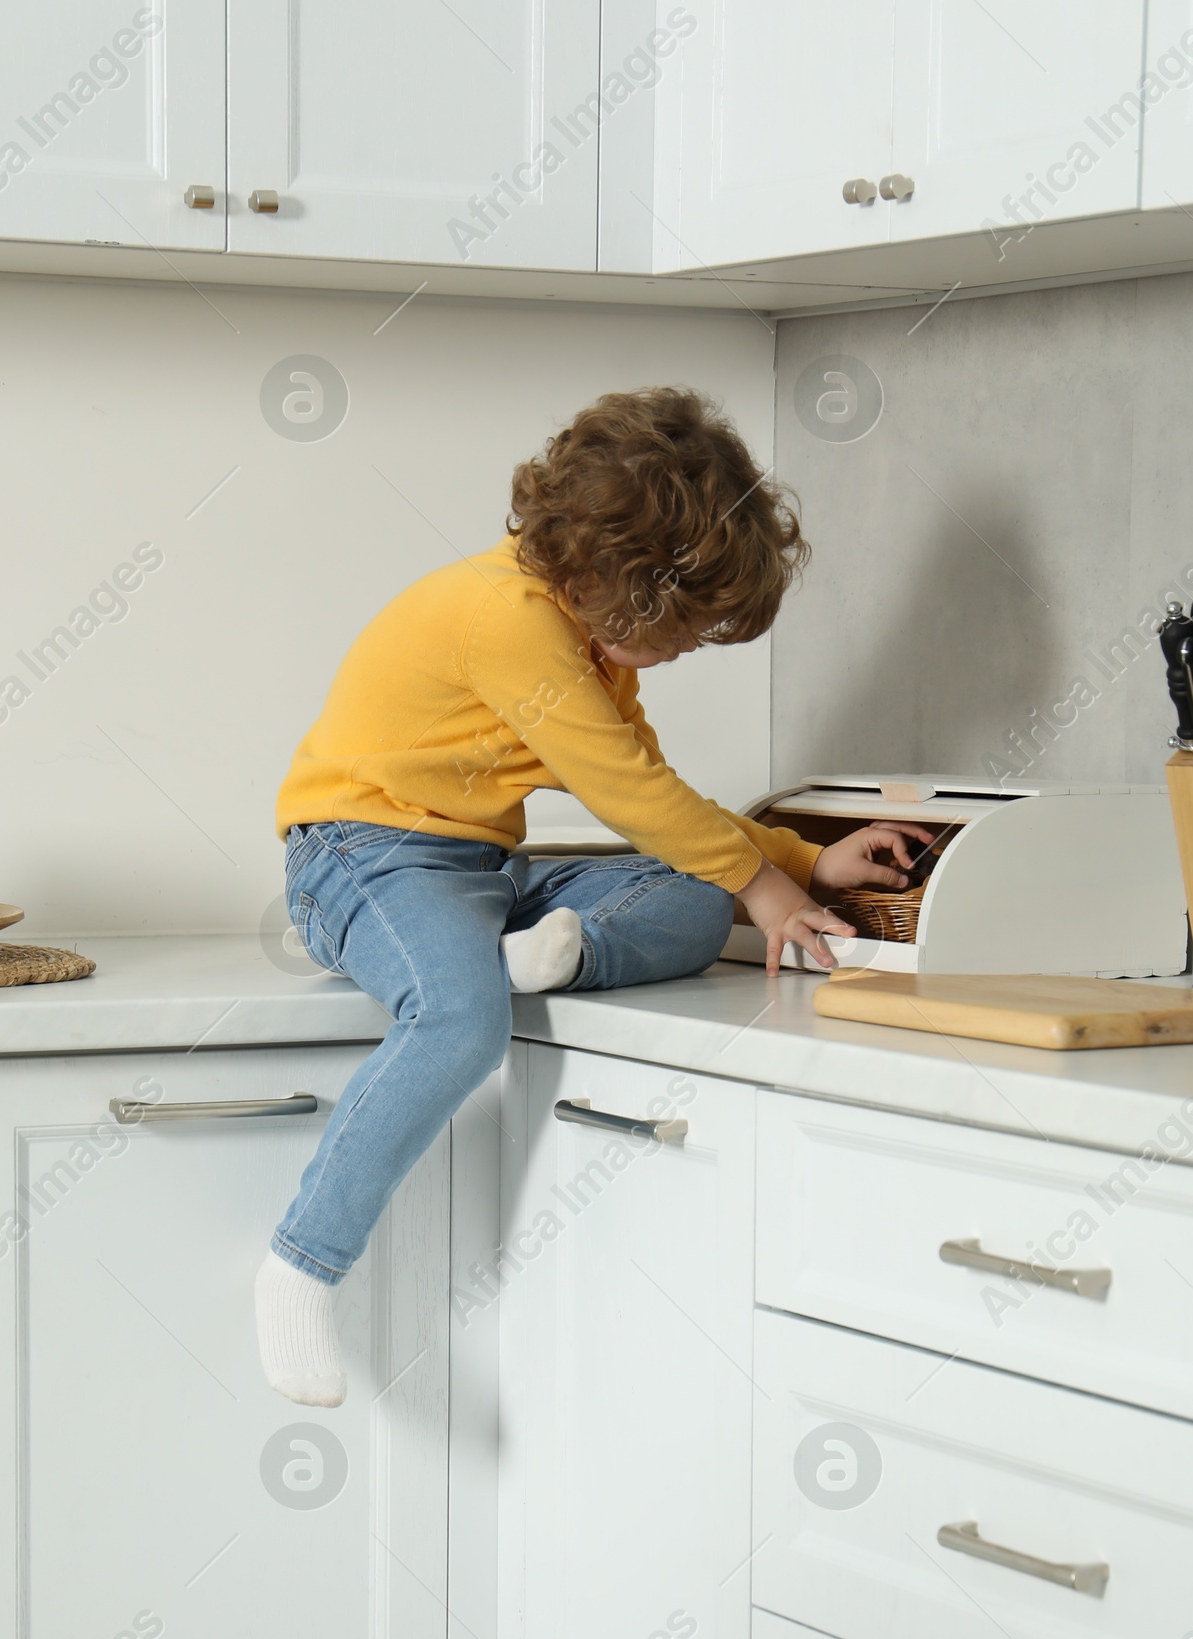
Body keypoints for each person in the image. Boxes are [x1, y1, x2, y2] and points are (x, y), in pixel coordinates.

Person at [256, 386, 927, 1406]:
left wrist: (793, 863)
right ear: (636, 590)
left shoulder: (581, 643)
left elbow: (653, 799)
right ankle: (301, 1265)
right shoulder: (507, 622)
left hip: (477, 872)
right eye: (693, 628)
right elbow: (631, 790)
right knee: (457, 1019)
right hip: (360, 856)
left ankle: (547, 952)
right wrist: (769, 886)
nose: (692, 649)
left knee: (692, 901)